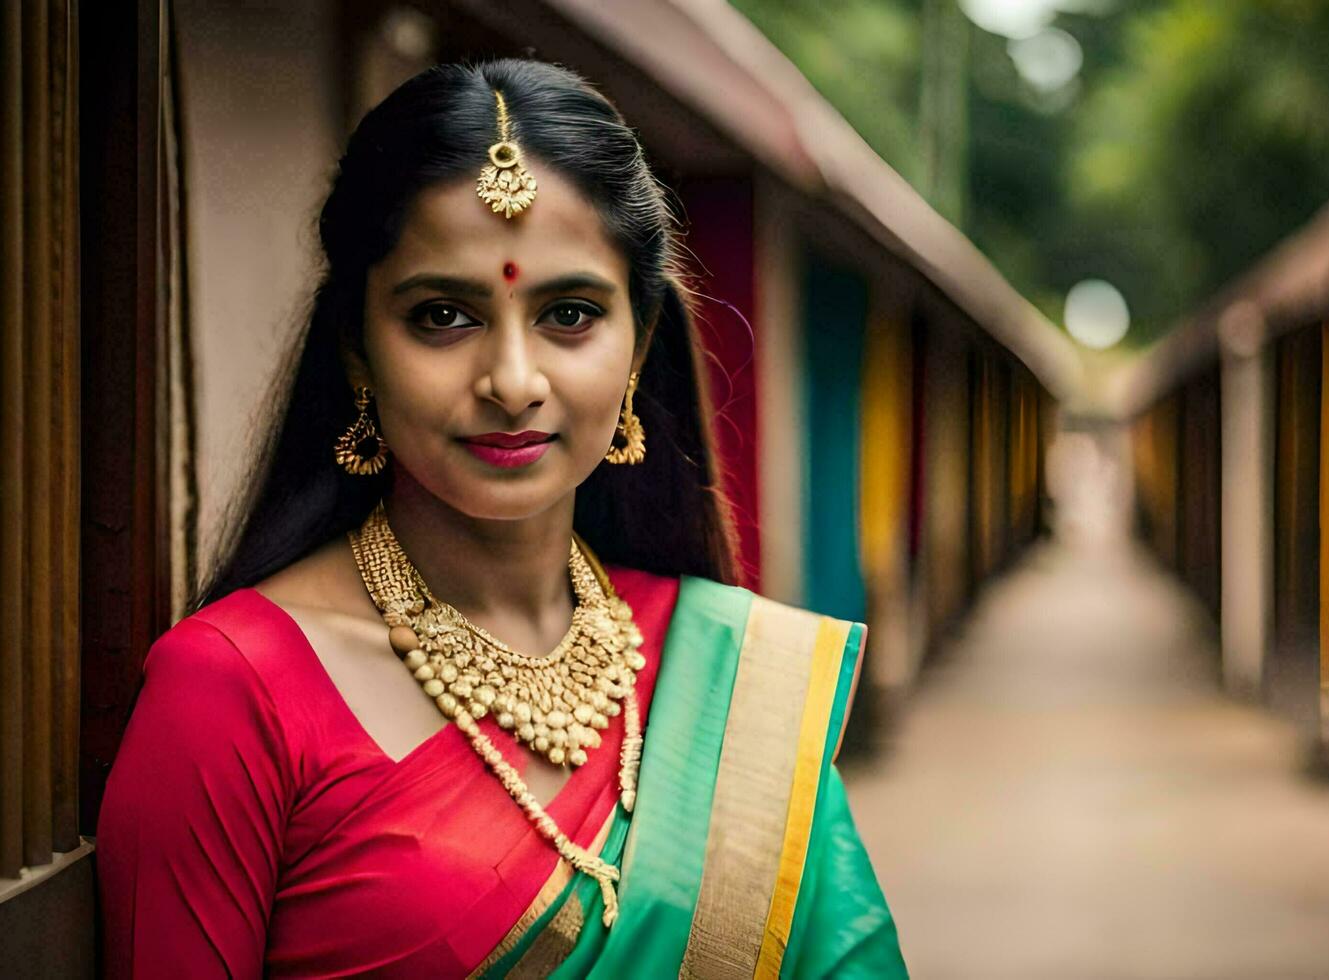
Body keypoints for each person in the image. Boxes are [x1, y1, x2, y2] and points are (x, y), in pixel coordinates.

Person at [95, 57, 906, 978]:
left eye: (569, 313)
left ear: (639, 345)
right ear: (358, 353)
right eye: (443, 315)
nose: (513, 382)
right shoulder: (232, 691)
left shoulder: (727, 672)